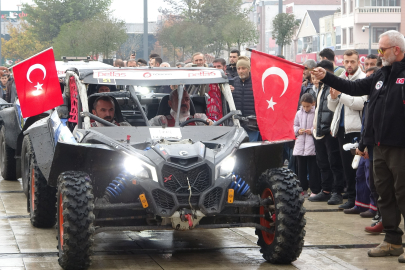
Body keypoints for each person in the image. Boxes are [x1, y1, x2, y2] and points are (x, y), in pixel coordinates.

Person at [311, 30, 405, 263]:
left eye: (383, 49)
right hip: (378, 147)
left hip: (401, 147)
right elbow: (353, 89)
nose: (379, 53)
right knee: (384, 195)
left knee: (403, 194)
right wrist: (326, 77)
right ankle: (392, 240)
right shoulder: (381, 75)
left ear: (397, 50)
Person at [327, 49, 367, 209]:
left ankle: (357, 200)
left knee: (355, 167)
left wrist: (340, 95)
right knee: (345, 166)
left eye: (352, 61)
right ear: (342, 62)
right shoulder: (341, 79)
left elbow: (360, 103)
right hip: (341, 128)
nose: (349, 65)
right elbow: (331, 107)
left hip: (356, 129)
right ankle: (351, 198)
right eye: (346, 62)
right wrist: (333, 96)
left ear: (358, 62)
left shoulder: (363, 79)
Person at [308, 60, 344, 203]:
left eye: (319, 73)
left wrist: (331, 128)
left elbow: (335, 108)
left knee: (334, 163)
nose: (316, 77)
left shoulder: (335, 85)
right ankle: (326, 190)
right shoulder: (321, 87)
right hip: (319, 130)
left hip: (330, 131)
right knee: (322, 163)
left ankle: (337, 192)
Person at [293, 93, 320, 197]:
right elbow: (294, 125)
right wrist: (298, 130)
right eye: (304, 106)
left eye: (308, 106)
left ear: (313, 104)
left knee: (313, 169)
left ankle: (314, 189)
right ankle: (302, 189)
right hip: (300, 144)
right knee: (301, 169)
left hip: (311, 144)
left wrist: (312, 131)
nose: (306, 108)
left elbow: (317, 125)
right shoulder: (299, 113)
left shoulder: (315, 113)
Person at [149, 89, 213, 127]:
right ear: (170, 103)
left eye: (187, 99)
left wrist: (210, 124)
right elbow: (145, 131)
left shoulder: (199, 118)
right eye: (179, 99)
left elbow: (210, 133)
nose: (184, 102)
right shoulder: (160, 120)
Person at [232, 56, 259, 142]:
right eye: (238, 68)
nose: (240, 71)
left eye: (243, 68)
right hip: (237, 124)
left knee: (250, 150)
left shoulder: (256, 82)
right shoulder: (233, 82)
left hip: (252, 125)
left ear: (249, 69)